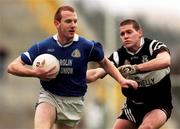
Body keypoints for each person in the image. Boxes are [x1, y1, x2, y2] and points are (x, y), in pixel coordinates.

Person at [7, 6, 138, 129]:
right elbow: (12, 67)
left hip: (73, 102)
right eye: (68, 21)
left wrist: (121, 80)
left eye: (75, 21)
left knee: (93, 74)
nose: (73, 25)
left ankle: (99, 73)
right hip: (50, 96)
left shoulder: (87, 46)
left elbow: (105, 62)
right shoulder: (43, 46)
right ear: (57, 23)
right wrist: (35, 72)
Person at [87, 19, 173, 129]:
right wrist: (71, 76)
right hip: (133, 106)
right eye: (122, 34)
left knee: (146, 127)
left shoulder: (153, 46)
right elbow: (95, 73)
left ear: (140, 32)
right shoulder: (119, 56)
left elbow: (165, 60)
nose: (125, 36)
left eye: (129, 32)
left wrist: (135, 68)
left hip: (159, 104)